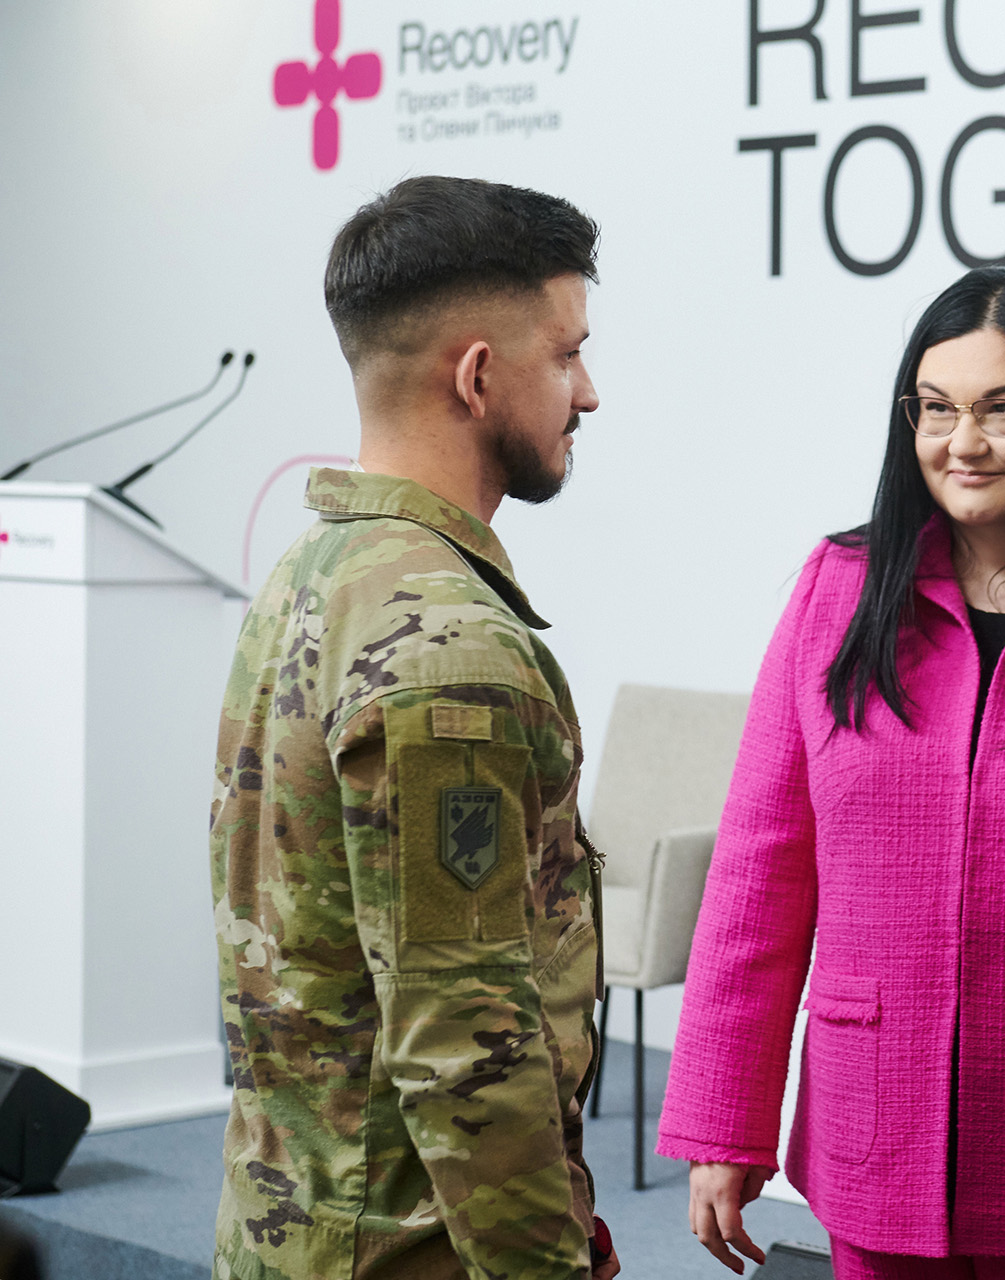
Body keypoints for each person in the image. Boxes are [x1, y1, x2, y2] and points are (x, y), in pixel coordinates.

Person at [657, 267, 1005, 1278]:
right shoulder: (841, 589)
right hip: (876, 1121)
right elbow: (760, 871)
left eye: (1004, 408)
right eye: (936, 408)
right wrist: (724, 1122)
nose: (962, 442)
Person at [208, 175, 620, 1279]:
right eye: (567, 354)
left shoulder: (311, 576)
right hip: (409, 1248)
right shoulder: (449, 646)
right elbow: (465, 1044)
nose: (588, 393)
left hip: (294, 1227)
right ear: (478, 376)